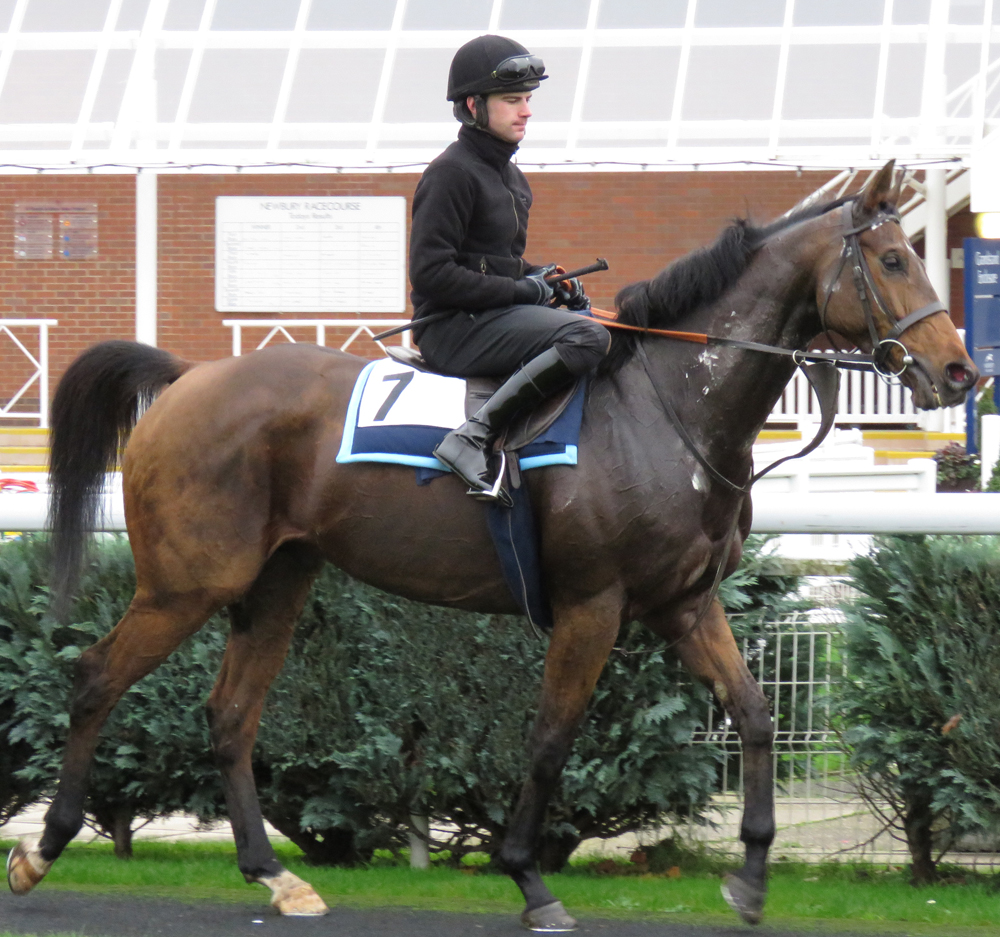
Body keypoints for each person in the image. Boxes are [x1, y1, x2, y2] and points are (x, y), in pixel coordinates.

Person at [409, 34, 610, 501]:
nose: (526, 111)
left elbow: (499, 264)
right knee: (586, 337)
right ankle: (470, 438)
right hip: (451, 329)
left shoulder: (512, 178)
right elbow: (432, 274)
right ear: (474, 105)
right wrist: (525, 291)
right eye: (512, 100)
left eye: (528, 99)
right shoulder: (450, 173)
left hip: (488, 317)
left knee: (589, 321)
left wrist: (548, 280)